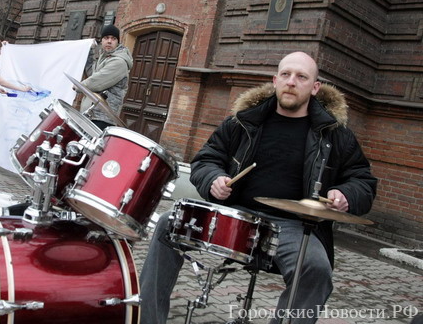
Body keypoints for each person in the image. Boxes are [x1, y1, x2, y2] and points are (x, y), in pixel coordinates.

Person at [139, 51, 377, 324]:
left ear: (314, 88)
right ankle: (148, 318)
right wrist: (213, 179)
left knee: (316, 268)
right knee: (168, 225)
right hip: (235, 215)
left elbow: (363, 181)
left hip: (293, 226)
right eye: (286, 75)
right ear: (275, 80)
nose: (291, 82)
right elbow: (206, 159)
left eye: (301, 77)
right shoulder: (243, 121)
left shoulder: (335, 134)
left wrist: (346, 195)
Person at [78, 24, 133, 130]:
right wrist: (88, 52)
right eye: (106, 38)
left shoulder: (119, 62)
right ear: (102, 41)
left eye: (113, 38)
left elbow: (97, 82)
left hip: (102, 118)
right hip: (91, 114)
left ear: (117, 42)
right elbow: (93, 74)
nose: (109, 41)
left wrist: (78, 86)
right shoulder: (105, 58)